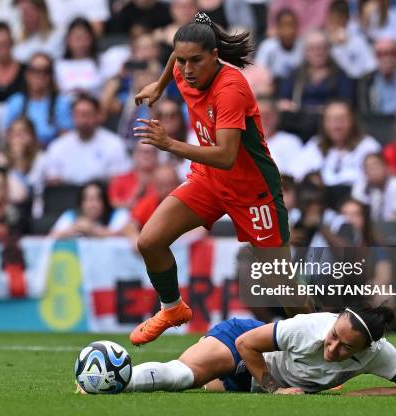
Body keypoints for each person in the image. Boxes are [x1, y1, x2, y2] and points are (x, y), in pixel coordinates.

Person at [131, 12, 313, 346]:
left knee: (281, 285)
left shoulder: (230, 88)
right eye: (182, 61)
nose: (186, 70)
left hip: (253, 191)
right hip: (209, 180)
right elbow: (176, 55)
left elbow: (227, 156)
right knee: (149, 241)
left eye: (195, 61)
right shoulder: (186, 66)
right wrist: (159, 87)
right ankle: (172, 308)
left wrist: (169, 144)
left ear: (214, 56)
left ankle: (322, 352)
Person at [112, 306, 396, 396]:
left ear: (367, 350)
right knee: (182, 376)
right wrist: (275, 389)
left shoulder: (380, 353)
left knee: (196, 389)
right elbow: (246, 344)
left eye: (345, 347)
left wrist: (361, 396)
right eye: (333, 336)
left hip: (253, 380)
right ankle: (114, 380)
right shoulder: (309, 327)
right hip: (245, 342)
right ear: (333, 322)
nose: (332, 346)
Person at [43, 94, 131, 185]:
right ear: (72, 116)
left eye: (87, 114)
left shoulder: (114, 144)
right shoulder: (58, 146)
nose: (83, 120)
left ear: (98, 115)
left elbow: (120, 180)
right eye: (79, 114)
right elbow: (51, 180)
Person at [293, 100, 381, 186]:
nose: (336, 126)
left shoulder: (368, 145)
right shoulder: (315, 145)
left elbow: (378, 178)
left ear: (352, 121)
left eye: (341, 120)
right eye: (331, 120)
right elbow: (297, 174)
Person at [2, 52, 72, 147]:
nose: (39, 76)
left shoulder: (62, 103)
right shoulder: (16, 102)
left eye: (45, 71)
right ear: (27, 74)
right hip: (23, 154)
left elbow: (66, 138)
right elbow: (9, 136)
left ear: (51, 76)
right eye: (34, 70)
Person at [278, 30, 354, 113]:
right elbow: (283, 102)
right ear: (305, 52)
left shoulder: (340, 75)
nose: (317, 52)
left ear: (329, 49)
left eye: (321, 48)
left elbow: (345, 104)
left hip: (329, 122)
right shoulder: (294, 75)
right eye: (311, 48)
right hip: (299, 121)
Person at [50, 181, 129, 239]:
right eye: (88, 199)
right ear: (81, 203)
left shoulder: (119, 214)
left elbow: (124, 235)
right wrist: (73, 229)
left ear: (105, 202)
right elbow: (51, 237)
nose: (93, 205)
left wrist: (93, 230)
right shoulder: (70, 215)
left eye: (98, 199)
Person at [357, 38, 396, 115]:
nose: (387, 58)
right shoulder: (365, 81)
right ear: (374, 56)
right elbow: (364, 111)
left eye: (392, 53)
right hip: (375, 123)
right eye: (380, 54)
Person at [351, 153, 396, 222]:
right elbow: (358, 216)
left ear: (386, 167)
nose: (373, 171)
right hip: (372, 229)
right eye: (368, 168)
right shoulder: (363, 188)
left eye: (376, 166)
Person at [254, 8, 303, 81]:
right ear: (277, 28)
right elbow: (258, 73)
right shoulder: (268, 46)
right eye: (284, 25)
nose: (288, 30)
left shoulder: (302, 47)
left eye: (291, 25)